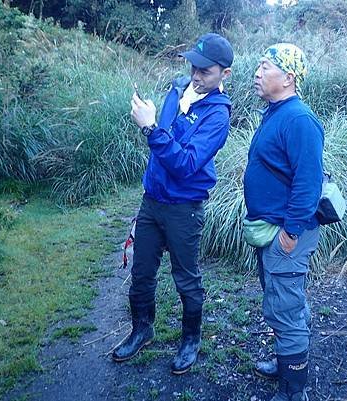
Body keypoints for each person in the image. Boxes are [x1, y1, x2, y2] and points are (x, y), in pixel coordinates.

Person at [112, 33, 233, 375]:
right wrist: (153, 125)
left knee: (186, 278)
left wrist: (150, 129)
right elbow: (163, 142)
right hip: (152, 202)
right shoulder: (176, 89)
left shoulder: (218, 116)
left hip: (185, 207)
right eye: (193, 66)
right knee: (141, 274)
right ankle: (141, 329)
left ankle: (191, 340)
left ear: (224, 73)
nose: (196, 75)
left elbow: (184, 163)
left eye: (205, 71)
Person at [243, 43, 324, 401]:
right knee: (283, 301)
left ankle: (293, 391)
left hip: (286, 234)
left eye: (265, 67)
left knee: (285, 309)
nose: (257, 74)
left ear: (288, 78)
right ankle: (287, 360)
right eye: (258, 67)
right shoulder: (276, 112)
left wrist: (290, 234)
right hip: (274, 231)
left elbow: (309, 183)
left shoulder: (299, 119)